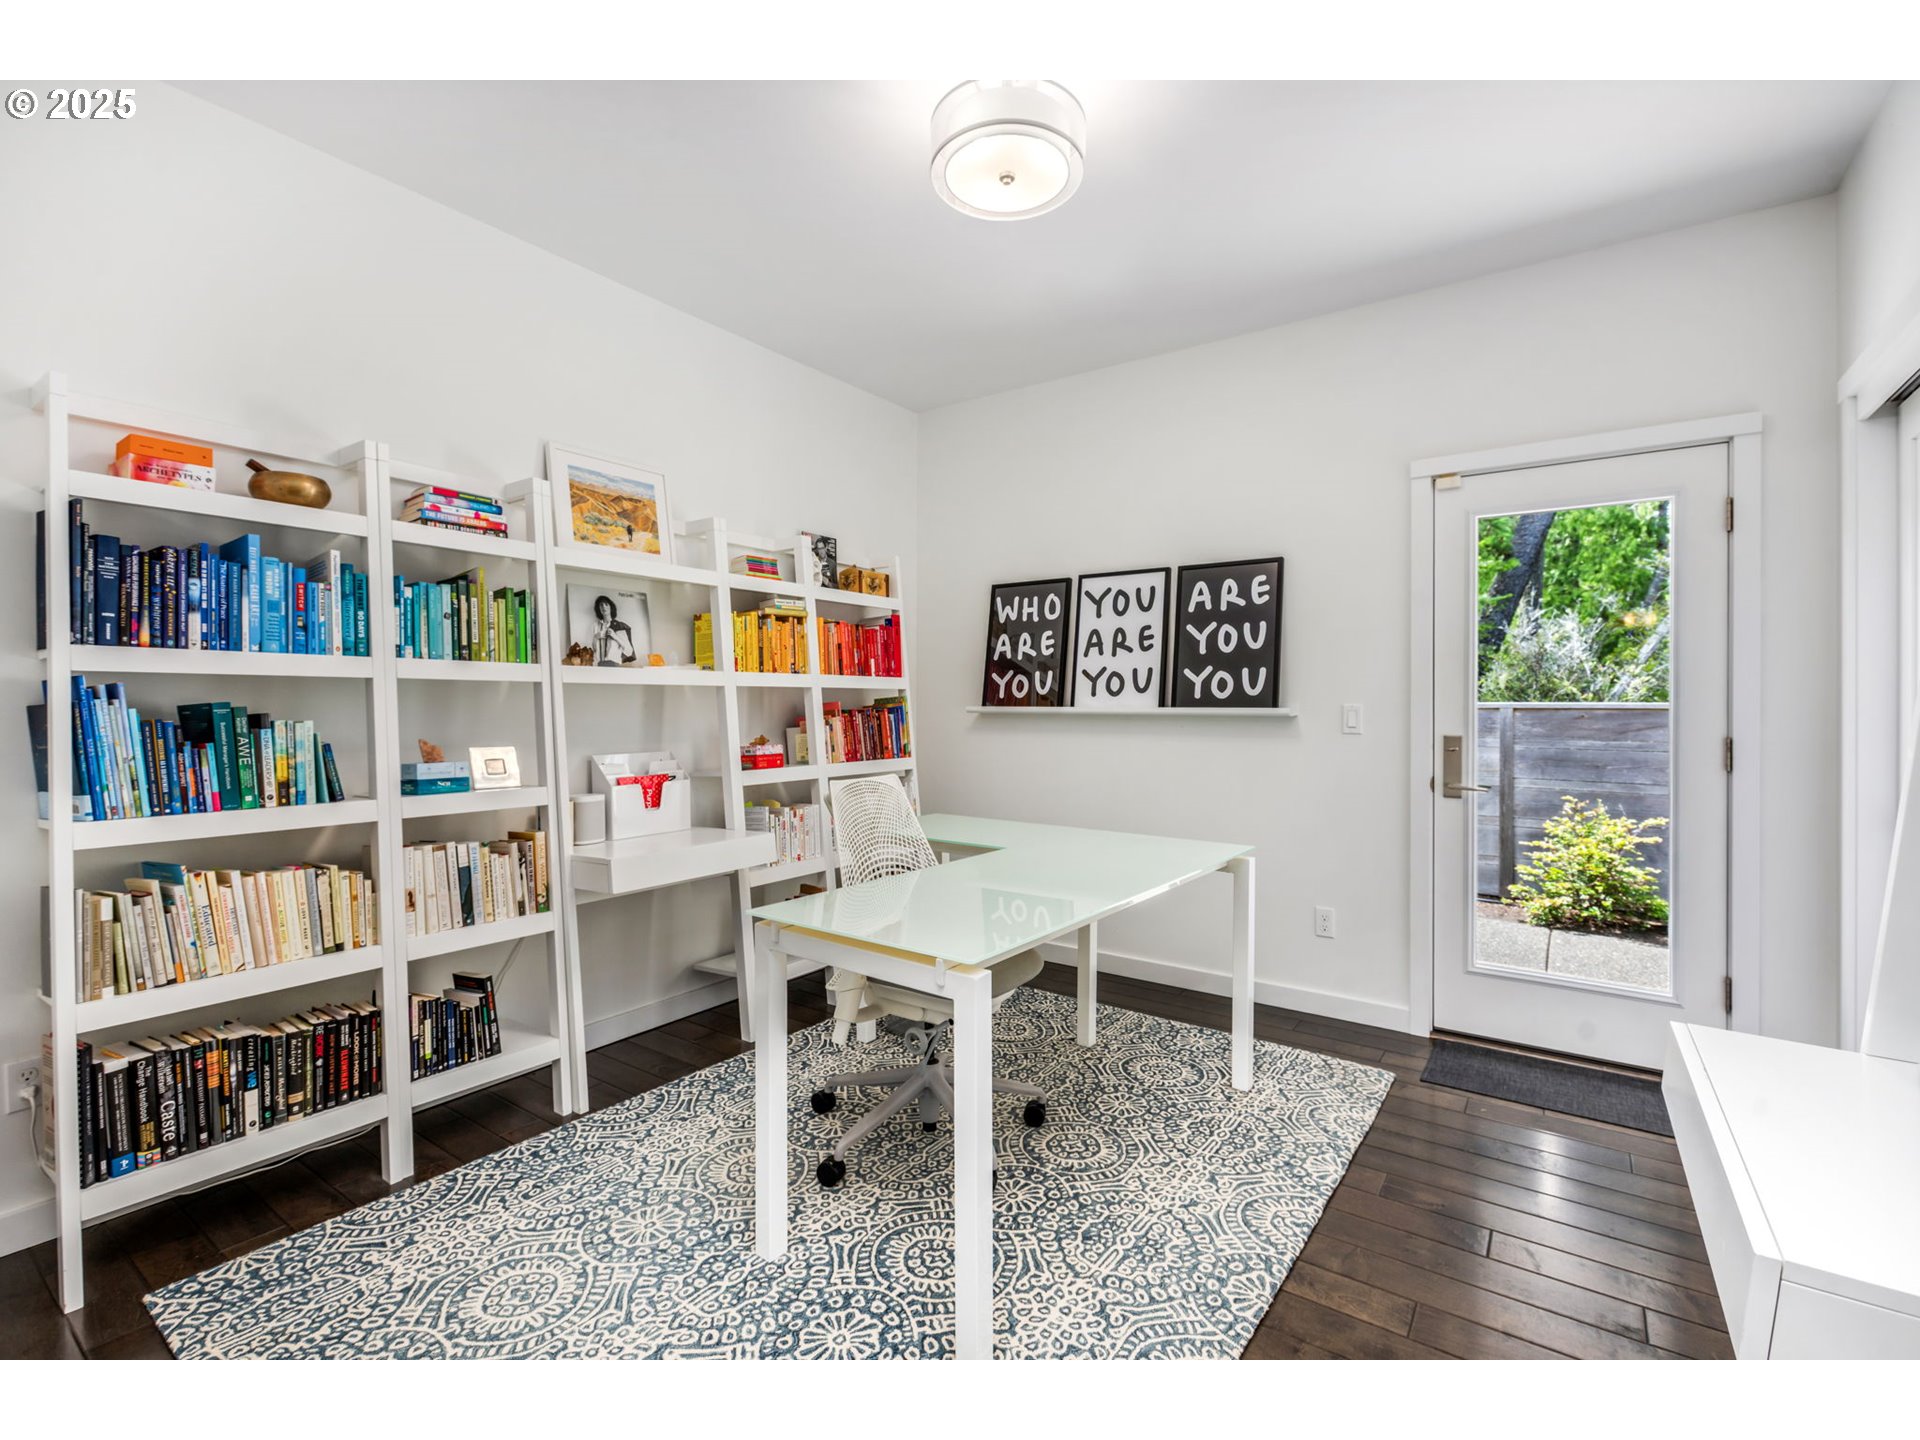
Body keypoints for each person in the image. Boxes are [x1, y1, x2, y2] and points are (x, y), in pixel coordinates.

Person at [591, 594, 637, 666]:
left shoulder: (619, 626)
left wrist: (615, 636)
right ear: (598, 609)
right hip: (598, 665)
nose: (603, 607)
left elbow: (629, 651)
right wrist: (595, 637)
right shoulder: (596, 626)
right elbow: (594, 651)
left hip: (614, 665)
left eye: (606, 604)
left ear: (611, 607)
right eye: (601, 605)